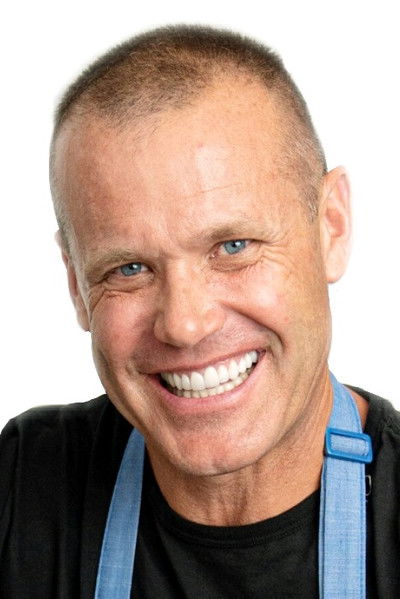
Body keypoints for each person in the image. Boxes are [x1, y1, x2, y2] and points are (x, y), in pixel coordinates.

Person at [0, 24, 399, 598]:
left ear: (331, 227)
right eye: (129, 268)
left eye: (233, 246)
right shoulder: (22, 487)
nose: (185, 326)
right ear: (76, 284)